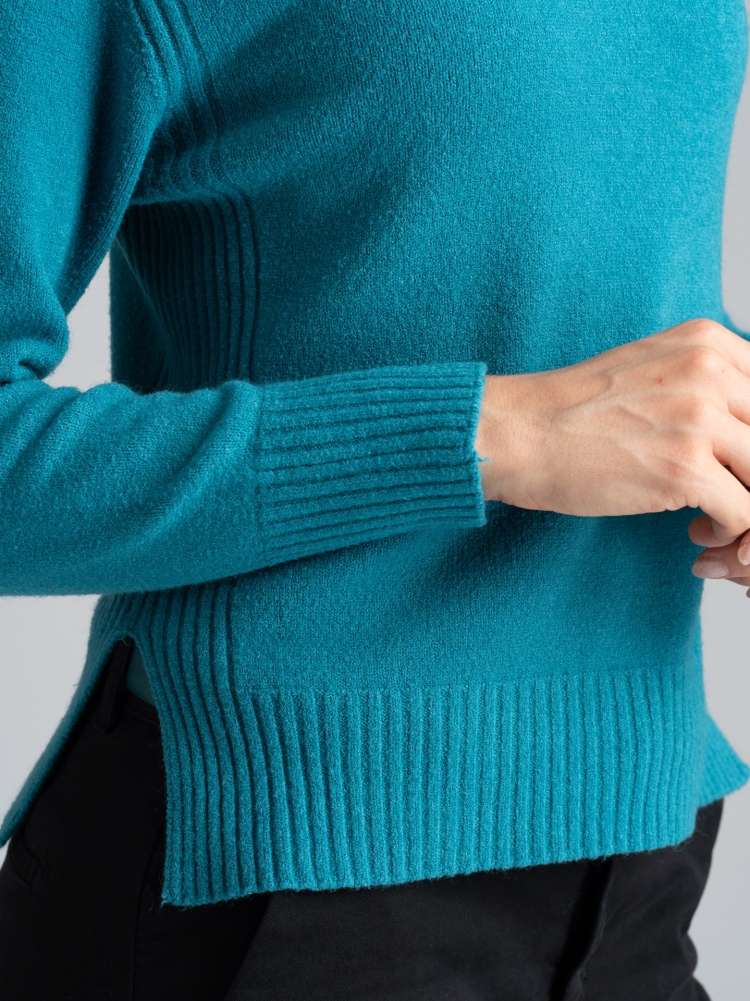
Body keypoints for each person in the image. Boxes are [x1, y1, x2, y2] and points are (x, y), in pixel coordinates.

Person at [0, 0, 747, 997]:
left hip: (645, 846)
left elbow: (589, 266)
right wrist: (489, 433)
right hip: (283, 867)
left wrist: (723, 443)